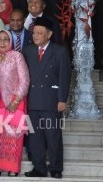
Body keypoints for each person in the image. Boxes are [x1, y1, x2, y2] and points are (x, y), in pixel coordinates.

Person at [23, 17, 71, 179]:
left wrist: (62, 99)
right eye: (34, 32)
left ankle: (56, 168)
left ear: (49, 34)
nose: (35, 36)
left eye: (40, 33)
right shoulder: (28, 51)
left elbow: (64, 77)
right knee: (35, 137)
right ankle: (39, 168)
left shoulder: (60, 51)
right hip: (33, 100)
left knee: (53, 135)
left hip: (51, 101)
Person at [0, 30, 30, 176]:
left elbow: (25, 80)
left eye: (5, 39)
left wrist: (16, 100)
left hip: (15, 102)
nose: (2, 42)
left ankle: (13, 167)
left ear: (10, 41)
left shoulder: (17, 56)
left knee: (13, 137)